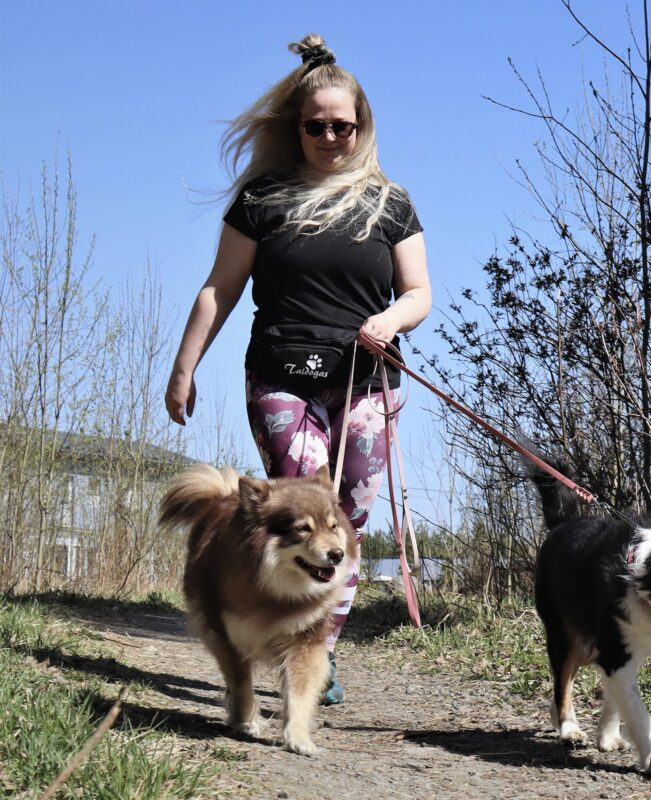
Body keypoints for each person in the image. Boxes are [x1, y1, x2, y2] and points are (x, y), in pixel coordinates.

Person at [165, 33, 431, 706]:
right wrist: (183, 368)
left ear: (361, 126)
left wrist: (392, 320)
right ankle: (283, 635)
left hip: (368, 378)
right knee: (303, 509)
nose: (330, 137)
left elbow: (420, 292)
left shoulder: (389, 201)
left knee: (348, 518)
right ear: (298, 126)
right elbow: (219, 288)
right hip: (281, 374)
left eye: (343, 126)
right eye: (316, 126)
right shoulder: (264, 197)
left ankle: (318, 649)